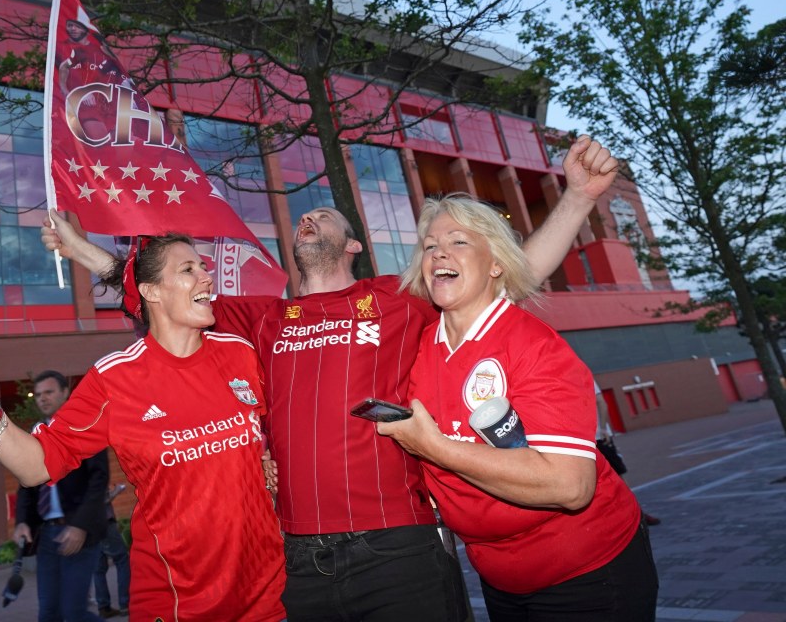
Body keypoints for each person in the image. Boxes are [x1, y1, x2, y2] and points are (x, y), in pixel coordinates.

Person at [43, 135, 621, 620]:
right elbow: (162, 296)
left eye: (324, 216)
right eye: (301, 220)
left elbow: (511, 273)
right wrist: (84, 252)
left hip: (399, 548)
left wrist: (574, 200)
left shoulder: (399, 297)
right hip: (298, 560)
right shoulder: (261, 318)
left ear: (352, 246)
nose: (307, 218)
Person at [0, 234, 285, 620]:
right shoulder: (115, 378)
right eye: (188, 269)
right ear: (151, 291)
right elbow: (36, 466)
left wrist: (269, 460)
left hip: (268, 595)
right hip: (177, 601)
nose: (206, 276)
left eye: (203, 267)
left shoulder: (242, 354)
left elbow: (271, 432)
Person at [378, 193, 659, 621]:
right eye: (430, 246)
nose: (439, 254)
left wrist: (433, 448)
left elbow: (569, 487)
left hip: (588, 573)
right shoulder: (416, 345)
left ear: (496, 264)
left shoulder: (534, 346)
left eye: (458, 242)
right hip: (499, 579)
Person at [12, 370, 109, 622]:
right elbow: (26, 483)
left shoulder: (84, 426)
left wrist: (80, 526)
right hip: (47, 535)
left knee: (74, 613)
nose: (42, 398)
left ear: (66, 393)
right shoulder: (38, 433)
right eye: (38, 394)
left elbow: (98, 481)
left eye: (49, 392)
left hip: (78, 533)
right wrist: (22, 521)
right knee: (48, 614)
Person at [595, 381, 661, 526]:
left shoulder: (580, 375)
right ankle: (626, 516)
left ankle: (636, 515)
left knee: (616, 476)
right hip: (587, 439)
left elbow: (601, 403)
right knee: (607, 479)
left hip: (595, 438)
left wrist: (603, 428)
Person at [93, 485, 131, 618]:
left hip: (89, 526)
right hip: (104, 523)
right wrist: (116, 491)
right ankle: (125, 604)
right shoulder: (93, 469)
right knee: (122, 560)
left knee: (98, 569)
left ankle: (104, 607)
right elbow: (101, 500)